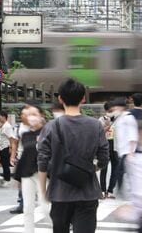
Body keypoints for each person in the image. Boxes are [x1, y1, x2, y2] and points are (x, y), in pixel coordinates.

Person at [38, 78, 109, 233]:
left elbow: (42, 161)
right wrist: (90, 169)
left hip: (59, 193)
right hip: (88, 192)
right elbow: (104, 157)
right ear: (83, 98)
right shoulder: (95, 125)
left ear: (60, 98)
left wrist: (43, 191)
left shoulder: (51, 127)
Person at [15, 105, 49, 233]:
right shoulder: (26, 135)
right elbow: (26, 154)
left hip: (44, 174)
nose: (31, 117)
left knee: (46, 207)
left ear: (41, 115)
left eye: (34, 114)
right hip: (27, 174)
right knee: (28, 208)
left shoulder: (48, 132)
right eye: (29, 115)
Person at [111, 97, 138, 194]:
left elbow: (133, 135)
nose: (114, 110)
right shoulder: (119, 118)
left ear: (121, 107)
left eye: (115, 108)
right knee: (124, 173)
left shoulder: (128, 118)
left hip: (127, 151)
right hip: (121, 151)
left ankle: (122, 193)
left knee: (121, 172)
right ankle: (123, 192)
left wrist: (131, 152)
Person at [9, 105, 32, 214]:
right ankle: (22, 203)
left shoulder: (37, 126)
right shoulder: (18, 127)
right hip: (22, 158)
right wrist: (13, 156)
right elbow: (14, 143)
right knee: (21, 182)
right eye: (23, 114)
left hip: (36, 158)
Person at [99, 102, 117, 199]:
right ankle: (102, 190)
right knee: (104, 168)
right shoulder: (101, 120)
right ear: (106, 110)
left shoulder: (117, 120)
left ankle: (110, 190)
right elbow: (99, 133)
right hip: (105, 145)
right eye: (110, 110)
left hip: (115, 145)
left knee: (115, 167)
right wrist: (107, 125)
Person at [0, 111, 15, 186]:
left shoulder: (7, 126)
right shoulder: (3, 126)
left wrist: (11, 148)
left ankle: (7, 179)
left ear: (4, 117)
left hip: (6, 147)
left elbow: (11, 138)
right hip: (2, 147)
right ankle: (6, 178)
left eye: (0, 117)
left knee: (5, 164)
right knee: (3, 163)